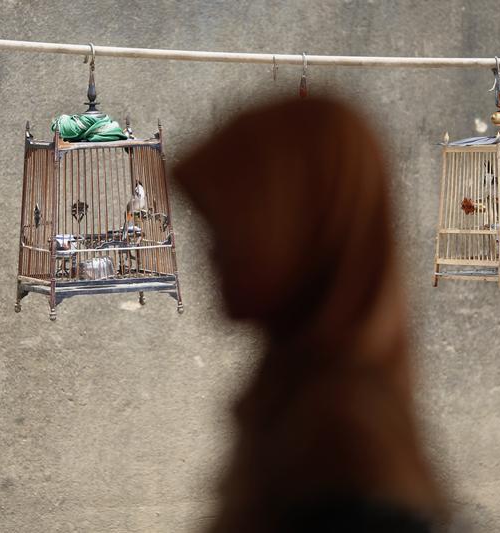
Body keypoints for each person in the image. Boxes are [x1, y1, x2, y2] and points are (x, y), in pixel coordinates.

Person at [174, 96, 445, 532]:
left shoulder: (337, 439)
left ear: (302, 226)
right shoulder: (298, 393)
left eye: (231, 225)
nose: (211, 250)